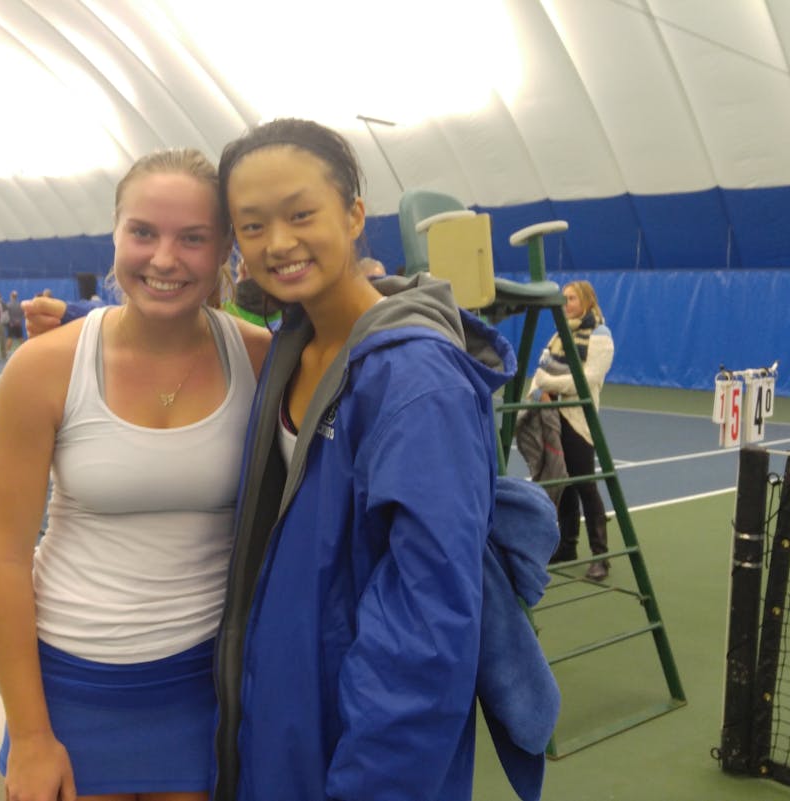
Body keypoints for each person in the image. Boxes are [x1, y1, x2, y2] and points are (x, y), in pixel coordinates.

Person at [213, 118, 511, 801]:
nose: (278, 243)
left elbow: (428, 628)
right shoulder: (291, 348)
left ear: (353, 215)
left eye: (300, 214)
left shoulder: (417, 384)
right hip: (279, 733)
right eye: (251, 226)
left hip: (358, 757)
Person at [0, 147, 269, 801]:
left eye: (193, 238)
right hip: (66, 697)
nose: (164, 259)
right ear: (115, 235)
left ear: (224, 249)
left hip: (202, 694)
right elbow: (2, 556)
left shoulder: (260, 361)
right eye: (143, 232)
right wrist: (29, 735)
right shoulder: (43, 369)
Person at [527, 279, 615, 580]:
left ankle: (601, 555)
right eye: (563, 299)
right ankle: (567, 545)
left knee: (584, 484)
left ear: (587, 302)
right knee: (562, 484)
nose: (566, 304)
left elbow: (585, 380)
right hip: (552, 417)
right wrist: (538, 393)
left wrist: (547, 384)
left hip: (578, 420)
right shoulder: (558, 335)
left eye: (572, 299)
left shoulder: (600, 336)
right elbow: (539, 371)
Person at [2, 290, 24, 358]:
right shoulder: (20, 304)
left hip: (11, 324)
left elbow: (7, 315)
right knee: (21, 338)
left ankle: (6, 353)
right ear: (16, 296)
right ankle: (25, 352)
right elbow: (22, 314)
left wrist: (10, 322)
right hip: (18, 324)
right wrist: (19, 321)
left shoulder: (8, 305)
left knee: (9, 338)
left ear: (11, 296)